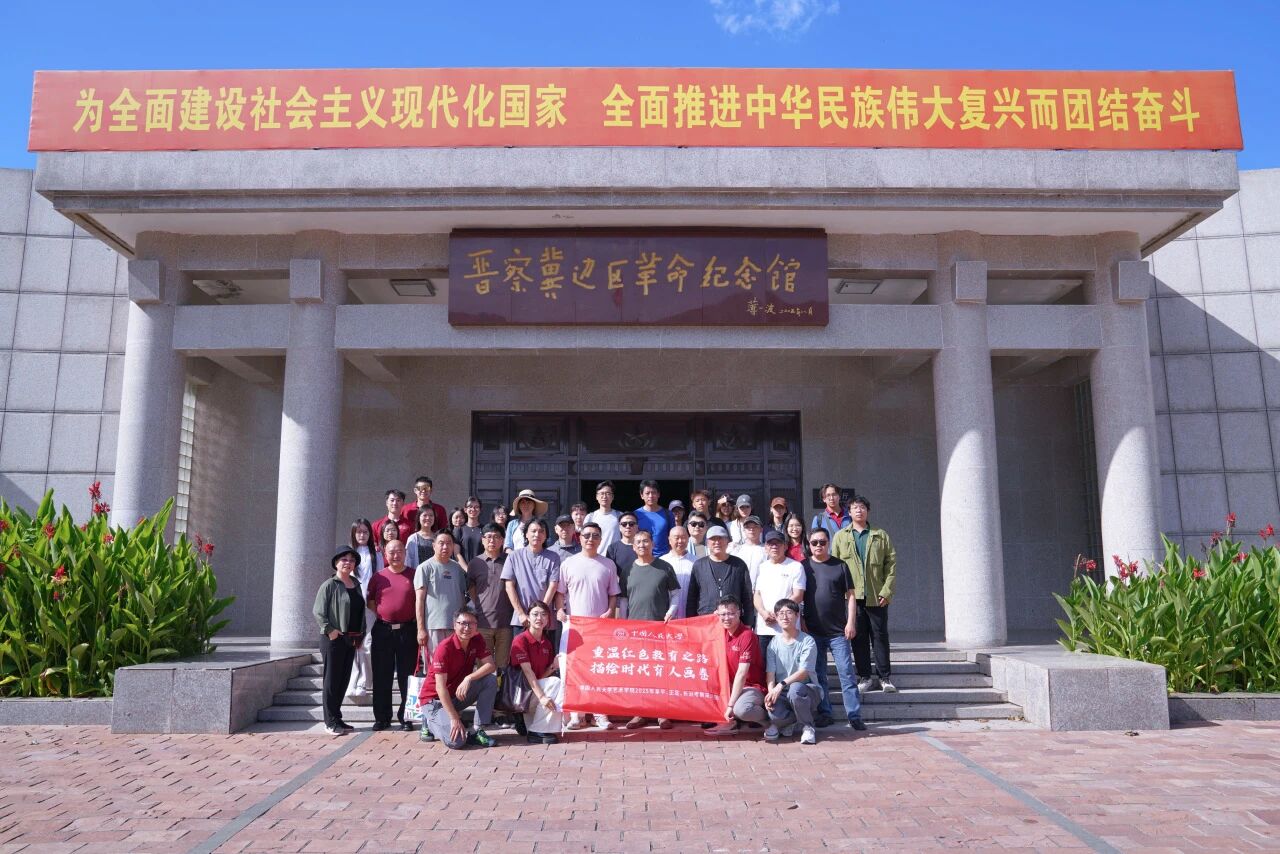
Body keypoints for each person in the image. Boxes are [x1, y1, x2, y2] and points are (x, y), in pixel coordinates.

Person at [832, 495, 898, 694]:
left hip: (877, 596)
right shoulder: (841, 537)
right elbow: (835, 567)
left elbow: (891, 565)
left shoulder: (880, 535)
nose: (859, 511)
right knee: (858, 638)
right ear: (849, 512)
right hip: (852, 598)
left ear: (868, 511)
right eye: (855, 508)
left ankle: (884, 677)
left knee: (880, 636)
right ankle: (865, 677)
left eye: (862, 507)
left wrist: (887, 591)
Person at [802, 528, 865, 731]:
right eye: (814, 542)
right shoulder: (803, 567)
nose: (818, 546)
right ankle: (825, 713)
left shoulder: (840, 565)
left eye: (822, 542)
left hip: (839, 632)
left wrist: (851, 622)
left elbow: (851, 595)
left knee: (846, 674)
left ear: (828, 543)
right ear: (809, 544)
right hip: (813, 631)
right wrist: (801, 623)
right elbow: (798, 597)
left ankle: (854, 715)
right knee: (819, 675)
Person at [557, 521, 618, 730]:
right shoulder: (568, 563)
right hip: (574, 627)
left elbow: (613, 594)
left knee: (599, 670)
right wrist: (560, 610)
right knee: (573, 670)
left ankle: (600, 714)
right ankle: (578, 715)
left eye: (595, 536)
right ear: (579, 538)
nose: (590, 539)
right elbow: (560, 592)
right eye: (586, 535)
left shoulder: (608, 564)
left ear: (600, 540)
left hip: (599, 627)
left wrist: (610, 611)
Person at [622, 529, 681, 730]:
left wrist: (671, 612)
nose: (642, 545)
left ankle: (662, 712)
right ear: (633, 547)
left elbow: (675, 594)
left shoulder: (665, 567)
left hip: (660, 628)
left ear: (653, 544)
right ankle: (640, 712)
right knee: (639, 672)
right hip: (635, 630)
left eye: (646, 541)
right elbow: (623, 600)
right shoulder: (628, 570)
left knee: (660, 670)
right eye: (638, 542)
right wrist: (622, 623)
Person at [418, 607, 498, 749]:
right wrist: (454, 718)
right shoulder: (444, 648)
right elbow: (440, 688)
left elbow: (491, 665)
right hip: (434, 701)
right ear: (454, 625)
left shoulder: (477, 639)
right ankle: (430, 722)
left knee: (490, 680)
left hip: (455, 695)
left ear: (476, 626)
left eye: (471, 623)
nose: (467, 628)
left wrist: (469, 678)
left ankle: (477, 730)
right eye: (463, 623)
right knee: (457, 742)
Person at [312, 546, 366, 735]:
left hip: (351, 639)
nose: (348, 563)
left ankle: (337, 717)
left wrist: (361, 634)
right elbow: (318, 612)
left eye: (351, 560)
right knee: (332, 680)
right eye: (344, 559)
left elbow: (360, 612)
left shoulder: (356, 584)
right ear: (336, 563)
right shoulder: (329, 585)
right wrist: (331, 630)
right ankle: (329, 721)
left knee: (343, 680)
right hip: (333, 639)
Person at [365, 539, 418, 731]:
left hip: (408, 630)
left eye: (399, 551)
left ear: (405, 553)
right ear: (385, 555)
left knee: (408, 676)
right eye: (391, 552)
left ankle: (406, 717)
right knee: (381, 675)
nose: (396, 555)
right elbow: (371, 602)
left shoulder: (414, 574)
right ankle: (382, 717)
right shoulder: (378, 577)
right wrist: (386, 615)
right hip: (383, 631)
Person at [705, 595, 768, 736]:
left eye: (731, 613)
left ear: (739, 613)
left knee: (742, 710)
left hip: (751, 686)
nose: (726, 618)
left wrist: (730, 705)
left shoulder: (747, 635)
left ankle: (770, 720)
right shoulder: (720, 633)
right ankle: (730, 722)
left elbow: (742, 674)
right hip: (729, 685)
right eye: (722, 614)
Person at [764, 599, 821, 744]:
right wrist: (771, 693)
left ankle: (808, 726)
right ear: (776, 617)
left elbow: (804, 672)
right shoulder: (773, 643)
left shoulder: (807, 641)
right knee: (773, 714)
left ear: (797, 615)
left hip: (806, 689)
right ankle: (788, 722)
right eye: (780, 613)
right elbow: (770, 673)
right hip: (782, 692)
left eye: (789, 612)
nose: (785, 617)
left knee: (795, 690)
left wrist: (781, 685)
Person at [511, 600, 563, 744]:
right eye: (535, 614)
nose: (539, 618)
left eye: (543, 614)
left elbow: (540, 677)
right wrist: (542, 697)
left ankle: (537, 727)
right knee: (555, 682)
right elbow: (528, 672)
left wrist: (552, 667)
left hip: (535, 690)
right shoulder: (520, 640)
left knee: (557, 682)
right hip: (522, 693)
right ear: (528, 617)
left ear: (548, 619)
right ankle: (537, 731)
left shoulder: (547, 643)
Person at [752, 529, 806, 660]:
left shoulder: (796, 566)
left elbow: (798, 595)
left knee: (788, 666)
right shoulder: (762, 567)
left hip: (788, 628)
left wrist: (779, 614)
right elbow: (757, 594)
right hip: (764, 627)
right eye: (770, 544)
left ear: (785, 546)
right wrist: (763, 612)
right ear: (766, 547)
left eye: (778, 543)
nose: (774, 546)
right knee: (764, 666)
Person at [466, 522, 513, 670]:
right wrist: (481, 606)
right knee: (483, 666)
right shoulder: (475, 563)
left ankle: (501, 687)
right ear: (482, 540)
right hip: (482, 623)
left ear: (502, 540)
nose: (492, 540)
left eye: (496, 537)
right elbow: (471, 588)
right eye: (488, 537)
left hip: (506, 622)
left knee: (502, 666)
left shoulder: (510, 560)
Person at [687, 525, 755, 627]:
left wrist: (748, 623)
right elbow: (692, 597)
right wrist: (690, 623)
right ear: (707, 542)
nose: (717, 542)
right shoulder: (699, 565)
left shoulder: (739, 565)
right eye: (713, 539)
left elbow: (747, 596)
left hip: (733, 622)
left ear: (727, 541)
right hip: (706, 622)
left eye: (721, 538)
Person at [414, 530, 468, 657]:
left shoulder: (457, 568)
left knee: (455, 663)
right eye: (441, 543)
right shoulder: (424, 567)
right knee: (436, 665)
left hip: (456, 626)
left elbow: (462, 597)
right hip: (434, 626)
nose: (445, 547)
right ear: (434, 546)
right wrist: (421, 629)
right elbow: (419, 600)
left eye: (449, 543)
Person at [502, 518, 561, 634]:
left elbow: (553, 586)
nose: (537, 534)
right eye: (533, 531)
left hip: (545, 621)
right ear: (526, 534)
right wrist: (521, 614)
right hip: (522, 620)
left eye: (541, 531)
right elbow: (509, 587)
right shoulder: (514, 556)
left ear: (546, 536)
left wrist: (541, 614)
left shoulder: (553, 557)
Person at [346, 519, 378, 702]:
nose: (362, 535)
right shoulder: (348, 554)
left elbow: (379, 579)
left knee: (367, 645)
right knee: (353, 644)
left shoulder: (376, 555)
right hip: (352, 606)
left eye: (365, 532)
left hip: (370, 607)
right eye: (358, 532)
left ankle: (364, 682)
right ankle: (353, 681)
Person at [605, 512, 639, 616]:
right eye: (624, 524)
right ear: (619, 527)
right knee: (620, 625)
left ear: (637, 527)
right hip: (618, 597)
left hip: (639, 594)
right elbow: (609, 573)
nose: (628, 526)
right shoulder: (613, 548)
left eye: (631, 524)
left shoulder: (642, 547)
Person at [634, 480, 675, 557]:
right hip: (643, 557)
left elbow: (673, 537)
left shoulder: (668, 514)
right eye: (647, 493)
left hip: (664, 557)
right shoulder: (635, 515)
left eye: (653, 493)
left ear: (658, 494)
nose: (651, 496)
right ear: (642, 495)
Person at [402, 475, 448, 541]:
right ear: (415, 490)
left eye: (426, 488)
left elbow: (443, 530)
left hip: (433, 543)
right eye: (420, 488)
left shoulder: (440, 509)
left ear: (431, 490)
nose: (423, 491)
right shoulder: (406, 509)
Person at [665, 526, 695, 618]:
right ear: (669, 540)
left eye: (683, 537)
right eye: (676, 538)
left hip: (691, 614)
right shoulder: (662, 562)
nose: (680, 541)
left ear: (688, 539)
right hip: (667, 616)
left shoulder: (697, 562)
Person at [584, 480, 622, 552]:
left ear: (612, 497)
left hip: (615, 557)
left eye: (608, 493)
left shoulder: (620, 516)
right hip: (595, 556)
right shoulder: (590, 517)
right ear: (597, 497)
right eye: (601, 493)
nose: (604, 496)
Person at [730, 515, 766, 585]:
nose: (751, 529)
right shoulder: (736, 550)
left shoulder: (767, 550)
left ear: (761, 529)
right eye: (748, 527)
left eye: (755, 526)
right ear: (744, 530)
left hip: (760, 589)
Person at [454, 496, 485, 565]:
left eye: (476, 507)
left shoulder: (485, 529)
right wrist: (467, 569)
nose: (473, 509)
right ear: (465, 510)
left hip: (481, 568)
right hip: (463, 569)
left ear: (480, 510)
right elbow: (456, 553)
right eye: (470, 506)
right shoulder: (459, 530)